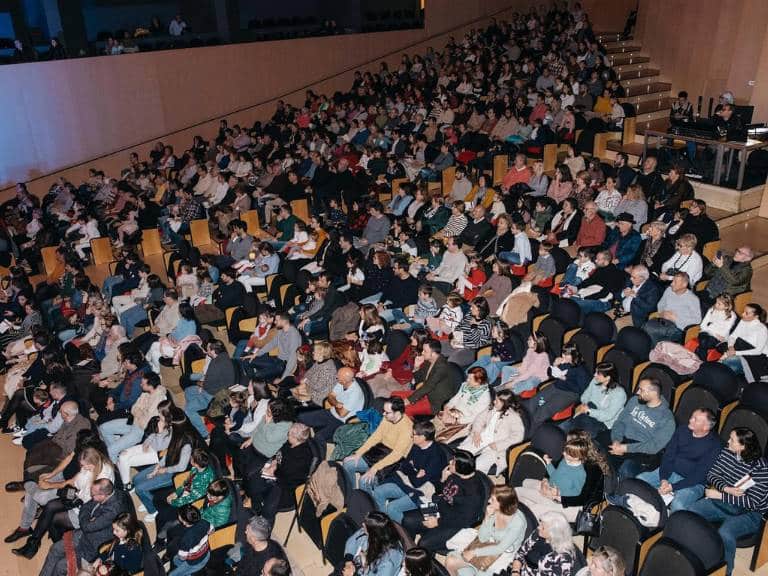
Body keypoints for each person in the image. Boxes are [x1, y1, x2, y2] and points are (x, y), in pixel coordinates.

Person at [688, 427, 768, 576]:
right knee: (691, 512)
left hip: (752, 513)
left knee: (725, 532)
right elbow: (713, 474)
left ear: (743, 446)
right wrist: (726, 488)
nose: (728, 441)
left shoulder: (762, 469)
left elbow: (752, 503)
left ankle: (726, 571)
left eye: (732, 440)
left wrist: (720, 495)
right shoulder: (727, 451)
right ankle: (698, 551)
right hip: (727, 501)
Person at [636, 408, 721, 513]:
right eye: (692, 416)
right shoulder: (682, 430)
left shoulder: (714, 445)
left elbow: (699, 476)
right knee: (639, 480)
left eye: (696, 419)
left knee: (678, 505)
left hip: (693, 483)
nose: (690, 420)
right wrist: (664, 479)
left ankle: (670, 525)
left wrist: (672, 487)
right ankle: (642, 512)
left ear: (706, 427)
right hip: (670, 472)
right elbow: (668, 456)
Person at [401, 450, 486, 553]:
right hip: (441, 508)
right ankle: (409, 550)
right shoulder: (455, 474)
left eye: (453, 462)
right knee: (408, 520)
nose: (450, 462)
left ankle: (423, 562)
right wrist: (442, 479)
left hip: (454, 523)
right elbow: (442, 493)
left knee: (424, 544)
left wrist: (437, 522)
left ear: (461, 467)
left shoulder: (473, 493)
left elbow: (464, 520)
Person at [370, 420, 448, 523]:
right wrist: (415, 472)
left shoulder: (436, 457)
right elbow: (404, 466)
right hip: (408, 483)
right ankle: (381, 523)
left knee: (392, 508)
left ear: (423, 437)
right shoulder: (416, 445)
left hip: (423, 490)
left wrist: (411, 469)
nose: (411, 436)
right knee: (378, 491)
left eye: (414, 435)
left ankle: (401, 532)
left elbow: (418, 483)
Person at [603, 377, 676, 480]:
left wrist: (625, 448)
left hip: (643, 450)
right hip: (623, 439)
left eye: (641, 390)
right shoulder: (634, 401)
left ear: (653, 393)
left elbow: (653, 447)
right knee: (596, 446)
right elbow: (620, 422)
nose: (637, 392)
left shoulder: (667, 420)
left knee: (627, 469)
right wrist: (616, 440)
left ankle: (619, 493)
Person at [445, 485, 527, 576]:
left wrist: (474, 553)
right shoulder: (494, 510)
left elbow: (500, 548)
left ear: (502, 504)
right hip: (487, 544)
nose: (488, 501)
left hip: (502, 554)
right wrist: (487, 517)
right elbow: (482, 538)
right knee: (450, 561)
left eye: (492, 500)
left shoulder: (518, 522)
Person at [343, 396, 413, 492]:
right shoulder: (387, 417)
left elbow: (396, 454)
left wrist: (374, 468)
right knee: (348, 463)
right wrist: (359, 453)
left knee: (364, 481)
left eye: (387, 412)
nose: (383, 414)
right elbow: (376, 436)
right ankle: (353, 492)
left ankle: (370, 503)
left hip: (396, 458)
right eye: (384, 411)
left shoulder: (407, 429)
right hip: (382, 449)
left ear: (397, 413)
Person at [523, 344, 590, 431]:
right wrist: (554, 365)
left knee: (544, 409)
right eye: (563, 353)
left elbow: (582, 390)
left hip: (570, 393)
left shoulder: (581, 370)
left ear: (574, 355)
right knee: (534, 401)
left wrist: (565, 379)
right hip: (556, 386)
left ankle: (530, 430)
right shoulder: (562, 362)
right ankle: (523, 422)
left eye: (567, 354)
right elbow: (550, 373)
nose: (563, 356)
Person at [458, 390, 525, 475]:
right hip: (481, 437)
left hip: (495, 448)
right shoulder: (492, 407)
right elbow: (480, 418)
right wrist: (477, 432)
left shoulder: (514, 417)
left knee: (477, 467)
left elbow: (518, 437)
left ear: (505, 404)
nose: (494, 401)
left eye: (497, 401)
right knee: (460, 454)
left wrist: (499, 445)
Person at [298, 366, 365, 446]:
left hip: (341, 421)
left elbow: (342, 414)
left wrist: (335, 403)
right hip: (331, 412)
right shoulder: (342, 383)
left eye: (338, 377)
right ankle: (304, 443)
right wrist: (336, 404)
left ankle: (320, 457)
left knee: (319, 437)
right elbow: (330, 396)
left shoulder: (355, 393)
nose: (336, 377)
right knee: (301, 417)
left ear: (345, 380)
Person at [561, 362, 627, 437]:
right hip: (589, 411)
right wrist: (585, 406)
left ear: (608, 377)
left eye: (598, 374)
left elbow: (608, 416)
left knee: (576, 431)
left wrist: (589, 411)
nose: (594, 375)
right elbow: (585, 396)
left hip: (604, 423)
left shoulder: (619, 393)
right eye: (595, 372)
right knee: (570, 427)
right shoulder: (595, 381)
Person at [509, 511, 584, 576]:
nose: (538, 527)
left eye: (543, 527)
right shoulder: (538, 534)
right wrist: (515, 571)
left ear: (553, 533)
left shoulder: (564, 558)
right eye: (540, 524)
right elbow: (520, 553)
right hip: (519, 570)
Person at [433, 367, 491, 443]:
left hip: (464, 421)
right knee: (429, 429)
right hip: (453, 412)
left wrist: (456, 420)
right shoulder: (465, 386)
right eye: (468, 377)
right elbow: (455, 399)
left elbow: (475, 417)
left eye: (470, 379)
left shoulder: (485, 397)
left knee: (440, 438)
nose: (467, 380)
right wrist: (447, 409)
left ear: (479, 381)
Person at [643, 271, 701, 346]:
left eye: (675, 282)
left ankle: (654, 351)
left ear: (684, 284)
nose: (671, 284)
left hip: (678, 328)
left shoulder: (693, 299)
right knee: (645, 326)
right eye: (672, 280)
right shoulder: (669, 290)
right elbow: (660, 304)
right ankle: (653, 350)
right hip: (663, 320)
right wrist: (662, 313)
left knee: (651, 329)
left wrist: (676, 319)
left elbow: (697, 320)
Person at [342, 511, 405, 576]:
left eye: (365, 526)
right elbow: (353, 540)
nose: (363, 524)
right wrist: (348, 560)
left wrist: (353, 574)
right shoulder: (375, 532)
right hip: (357, 565)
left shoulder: (390, 560)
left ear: (374, 534)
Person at [720, 303, 768, 381]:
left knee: (739, 342)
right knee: (727, 346)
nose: (742, 314)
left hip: (759, 358)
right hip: (742, 351)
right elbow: (733, 336)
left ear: (756, 317)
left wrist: (735, 352)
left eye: (747, 313)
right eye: (743, 311)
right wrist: (731, 347)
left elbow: (758, 351)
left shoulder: (762, 329)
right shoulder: (743, 321)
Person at [699, 246, 753, 311]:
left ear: (748, 258)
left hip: (723, 298)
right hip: (709, 290)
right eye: (737, 250)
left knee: (701, 308)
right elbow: (707, 272)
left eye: (740, 253)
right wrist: (713, 264)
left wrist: (722, 266)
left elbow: (734, 281)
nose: (736, 253)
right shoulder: (727, 259)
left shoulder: (747, 270)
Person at [170, 504, 210, 576]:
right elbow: (211, 530)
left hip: (195, 562)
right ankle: (188, 573)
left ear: (184, 522)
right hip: (206, 553)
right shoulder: (204, 522)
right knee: (175, 560)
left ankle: (190, 573)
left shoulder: (186, 539)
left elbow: (182, 558)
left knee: (172, 574)